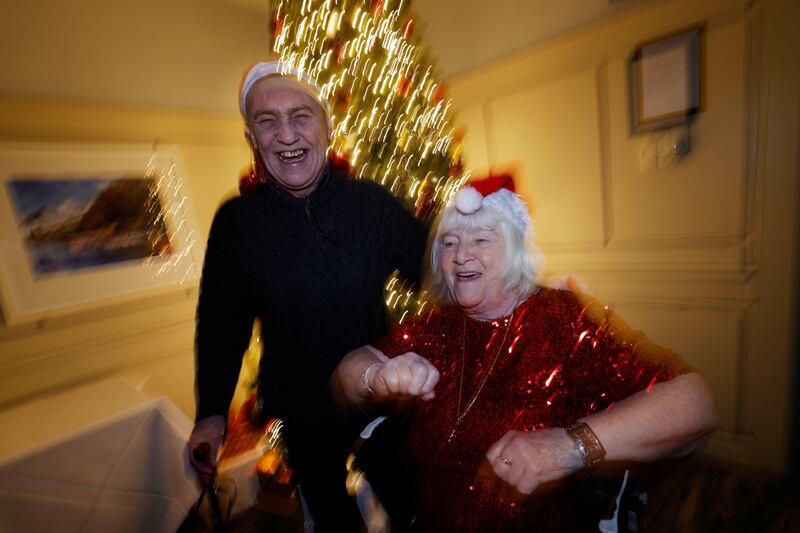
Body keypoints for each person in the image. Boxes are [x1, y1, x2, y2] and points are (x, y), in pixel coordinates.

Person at [332, 174, 718, 532]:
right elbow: (345, 377)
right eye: (449, 243)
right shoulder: (437, 326)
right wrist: (376, 376)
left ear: (516, 247)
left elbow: (696, 402)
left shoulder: (563, 319)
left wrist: (573, 444)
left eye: (481, 240)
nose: (461, 255)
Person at [187, 59, 428, 531]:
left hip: (378, 397)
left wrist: (494, 258)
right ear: (252, 141)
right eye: (267, 122)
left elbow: (437, 272)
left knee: (413, 509)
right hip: (302, 410)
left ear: (327, 127)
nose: (287, 134)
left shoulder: (369, 203)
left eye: (301, 116)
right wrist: (212, 413)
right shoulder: (238, 223)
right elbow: (220, 324)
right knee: (333, 520)